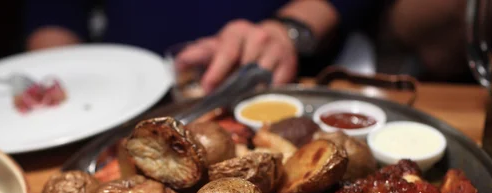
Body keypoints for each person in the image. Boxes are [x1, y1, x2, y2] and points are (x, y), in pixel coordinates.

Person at [25, 0, 376, 92]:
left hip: (271, 76)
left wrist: (289, 30)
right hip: (123, 93)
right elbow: (54, 9)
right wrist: (58, 85)